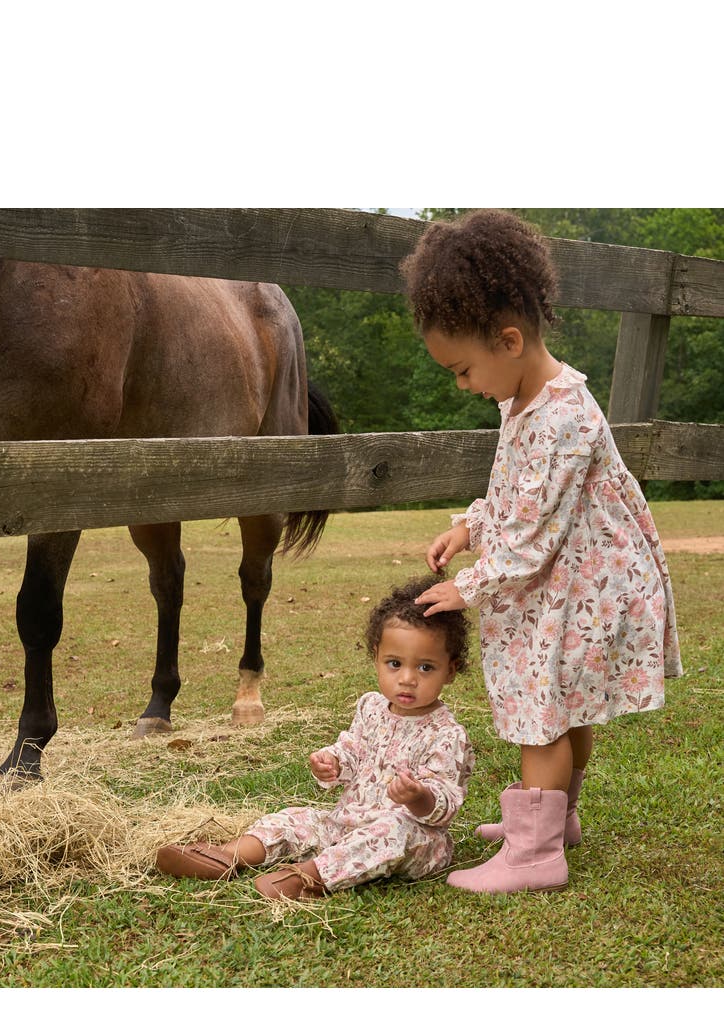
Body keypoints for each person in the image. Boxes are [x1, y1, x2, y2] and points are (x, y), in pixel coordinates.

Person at [400, 209, 682, 894]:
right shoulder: (525, 400)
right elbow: (516, 496)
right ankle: (554, 820)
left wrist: (469, 584)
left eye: (464, 369)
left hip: (583, 586)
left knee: (543, 710)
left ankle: (535, 854)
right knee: (566, 703)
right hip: (575, 578)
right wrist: (471, 524)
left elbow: (527, 543)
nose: (462, 385)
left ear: (510, 339)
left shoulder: (562, 416)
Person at [156, 578, 474, 900]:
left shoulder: (446, 734)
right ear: (376, 657)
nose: (407, 679)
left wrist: (418, 796)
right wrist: (333, 762)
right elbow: (353, 749)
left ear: (450, 670)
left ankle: (307, 878)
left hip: (412, 839)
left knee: (393, 832)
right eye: (395, 664)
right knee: (295, 818)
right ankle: (225, 855)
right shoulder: (371, 707)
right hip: (344, 824)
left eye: (425, 667)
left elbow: (444, 803)